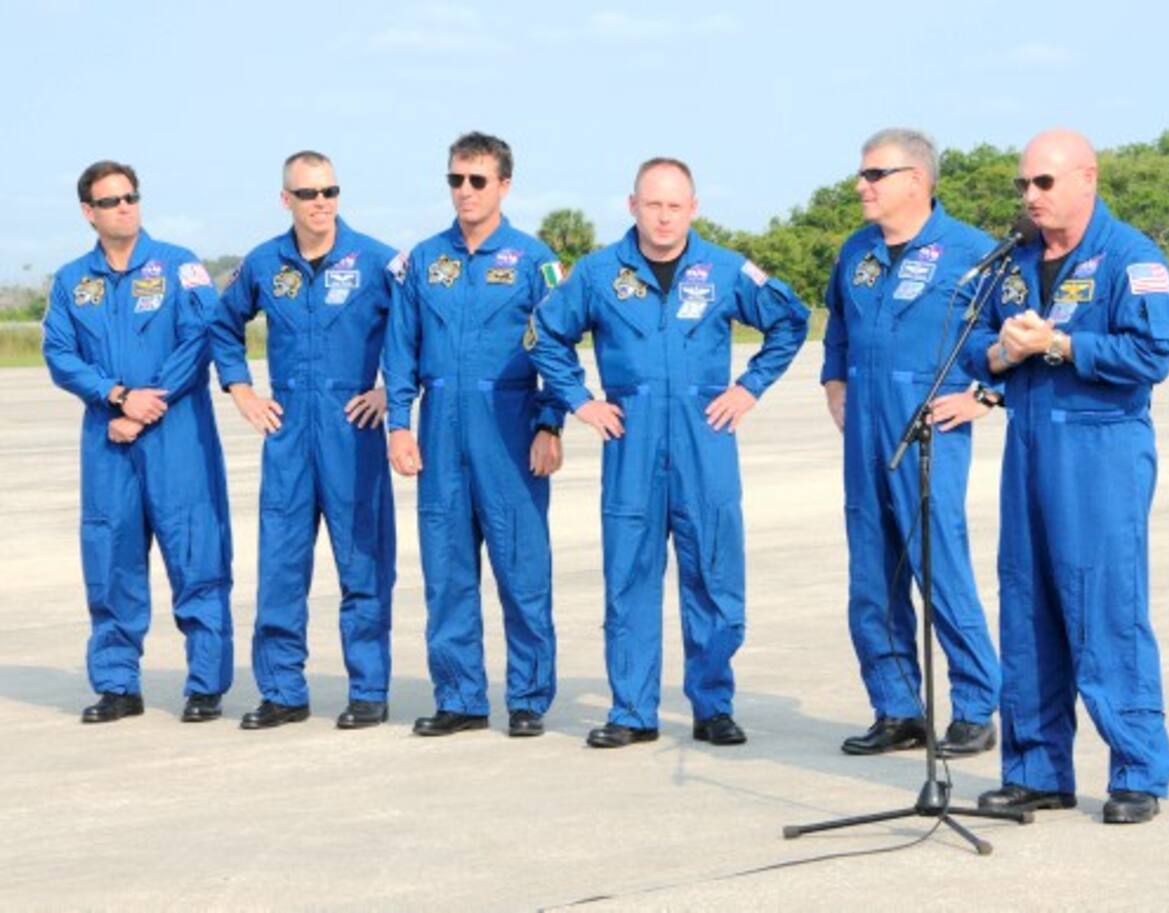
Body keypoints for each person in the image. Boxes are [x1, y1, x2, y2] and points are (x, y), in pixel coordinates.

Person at [528, 157, 808, 748]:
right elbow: (544, 336)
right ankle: (632, 710)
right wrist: (581, 402)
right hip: (631, 446)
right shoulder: (599, 273)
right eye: (652, 204)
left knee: (713, 574)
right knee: (629, 577)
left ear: (693, 209)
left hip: (705, 441)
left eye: (675, 205)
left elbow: (790, 322)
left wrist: (748, 388)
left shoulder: (725, 269)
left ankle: (712, 705)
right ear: (632, 205)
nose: (663, 217)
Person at [964, 129, 1169, 824]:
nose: (1031, 197)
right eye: (1024, 185)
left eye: (1045, 184)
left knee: (1103, 607)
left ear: (1087, 178)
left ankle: (1138, 768)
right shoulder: (1014, 263)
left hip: (1100, 450)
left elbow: (1153, 351)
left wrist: (1058, 343)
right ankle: (1036, 770)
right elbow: (966, 340)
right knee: (1026, 605)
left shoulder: (1130, 258)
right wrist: (999, 352)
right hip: (1028, 446)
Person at [821, 129, 1002, 757]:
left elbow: (1023, 340)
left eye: (875, 175)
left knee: (938, 565)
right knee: (871, 573)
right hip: (865, 424)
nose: (861, 185)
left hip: (929, 426)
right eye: (862, 173)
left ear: (916, 181)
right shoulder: (857, 251)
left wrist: (983, 397)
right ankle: (897, 707)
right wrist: (833, 382)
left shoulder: (974, 254)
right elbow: (838, 324)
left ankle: (977, 705)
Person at [384, 132, 564, 738]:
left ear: (503, 186)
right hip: (441, 428)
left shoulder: (533, 260)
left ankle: (528, 698)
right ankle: (459, 697)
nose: (465, 191)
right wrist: (400, 426)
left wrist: (550, 423)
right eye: (456, 180)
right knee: (447, 571)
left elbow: (558, 350)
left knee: (522, 570)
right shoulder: (423, 261)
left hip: (509, 428)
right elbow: (399, 349)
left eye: (477, 180)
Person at [212, 151, 398, 730]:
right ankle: (283, 691)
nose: (320, 203)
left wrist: (391, 392)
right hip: (289, 431)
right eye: (308, 193)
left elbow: (417, 331)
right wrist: (241, 390)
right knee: (281, 566)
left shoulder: (378, 261)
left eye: (329, 191)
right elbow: (223, 325)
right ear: (285, 198)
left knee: (364, 562)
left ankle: (368, 690)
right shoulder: (265, 264)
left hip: (353, 430)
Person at [43, 160, 233, 724]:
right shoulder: (72, 281)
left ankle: (204, 686)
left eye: (131, 197)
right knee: (110, 559)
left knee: (196, 555)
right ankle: (118, 685)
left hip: (177, 437)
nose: (125, 207)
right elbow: (59, 354)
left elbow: (200, 339)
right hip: (109, 438)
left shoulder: (180, 266)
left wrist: (149, 404)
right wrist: (117, 397)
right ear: (89, 213)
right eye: (111, 201)